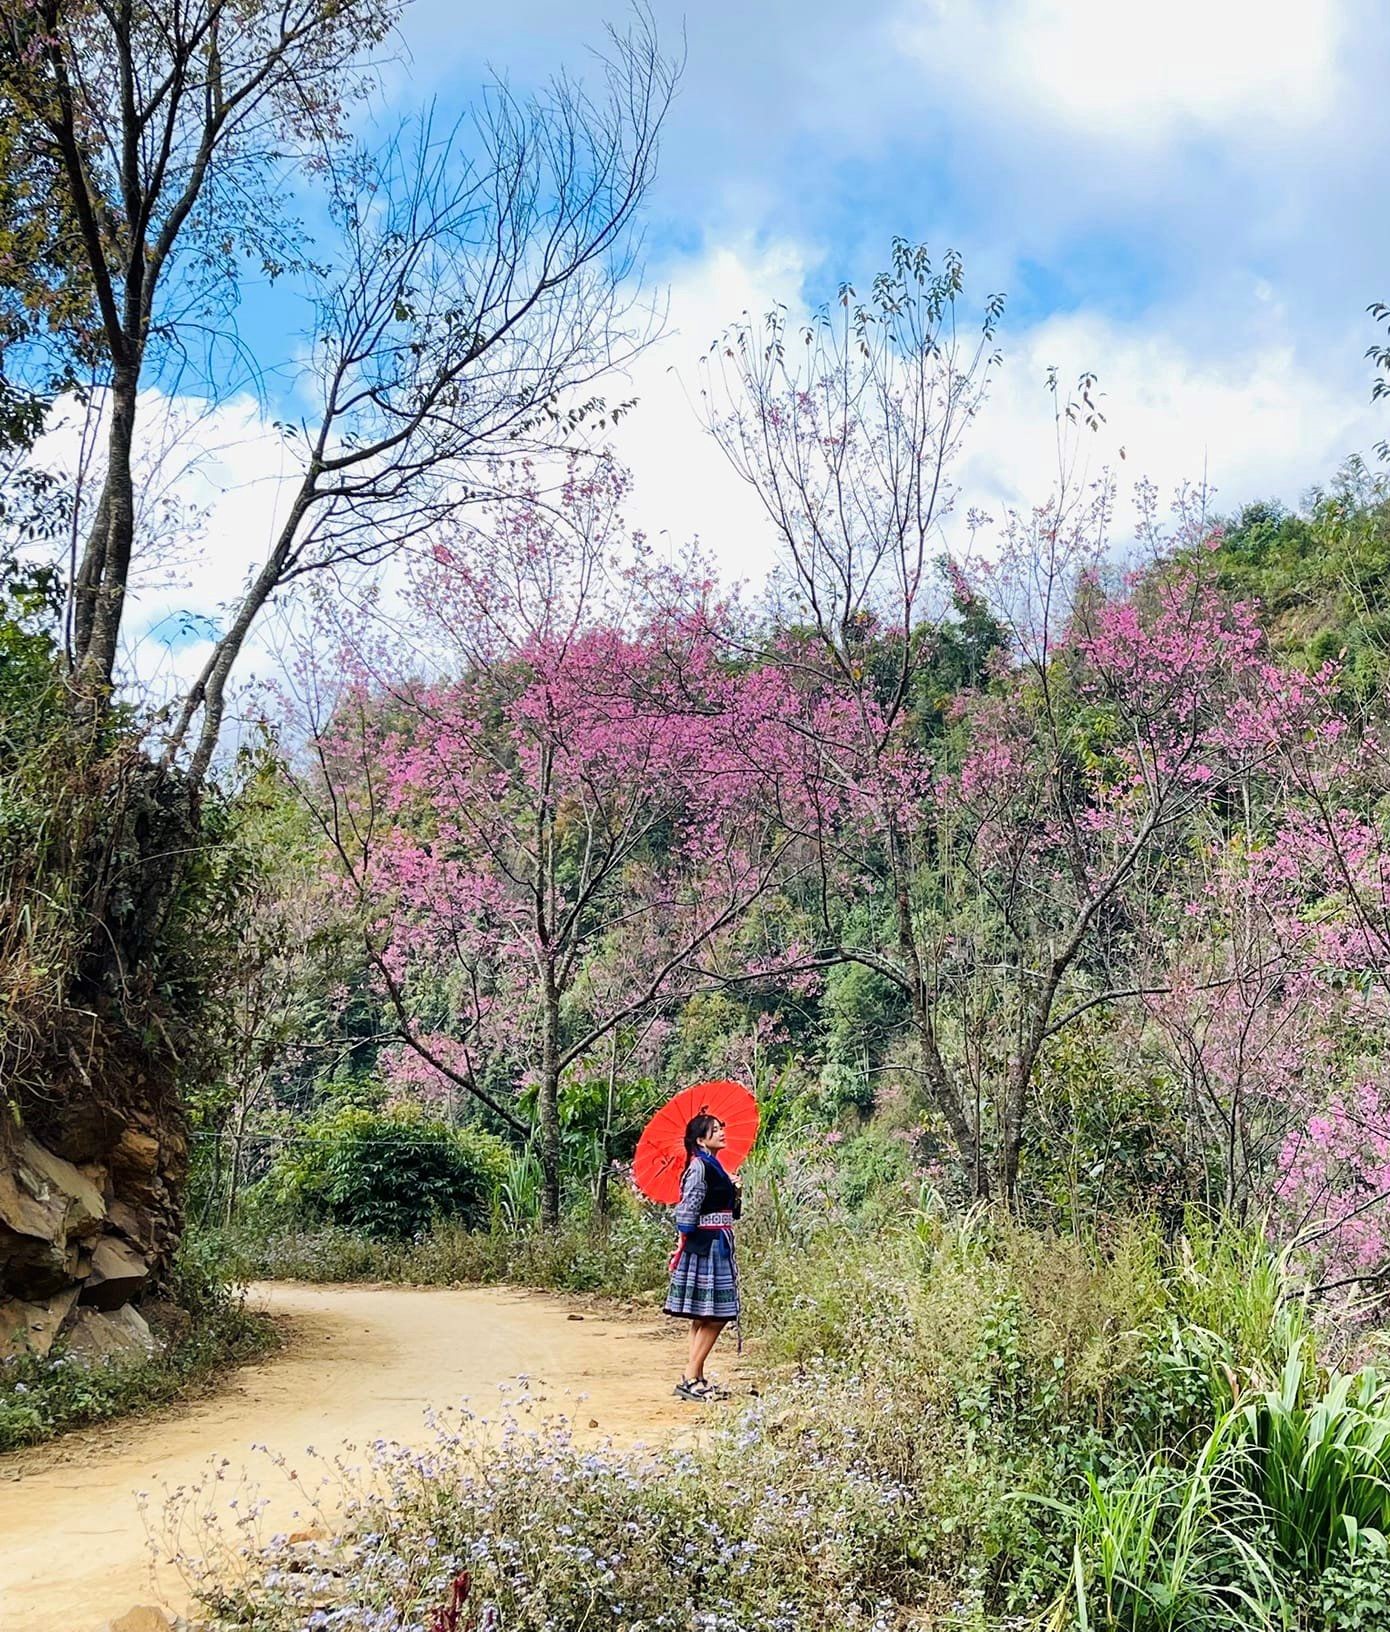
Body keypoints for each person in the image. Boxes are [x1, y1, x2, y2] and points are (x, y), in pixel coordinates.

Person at [664, 1111, 741, 1401]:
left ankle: (695, 1376)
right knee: (715, 1315)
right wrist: (684, 1237)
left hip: (714, 1243)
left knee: (702, 1316)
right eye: (715, 1129)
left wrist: (733, 1189)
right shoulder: (699, 1167)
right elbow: (686, 1211)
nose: (722, 1132)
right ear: (700, 1139)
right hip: (707, 1247)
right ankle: (690, 1375)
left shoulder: (714, 1166)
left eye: (722, 1127)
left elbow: (725, 1210)